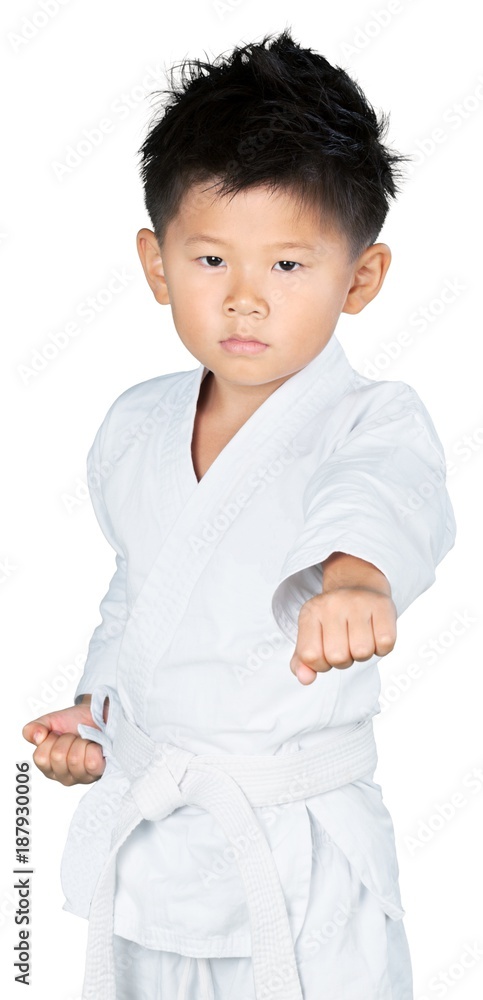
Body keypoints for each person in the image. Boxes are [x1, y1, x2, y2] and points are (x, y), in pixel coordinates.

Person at [23, 27, 456, 1000]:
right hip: (158, 850)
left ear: (361, 279)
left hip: (295, 858)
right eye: (212, 259)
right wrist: (96, 717)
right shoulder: (136, 429)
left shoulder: (370, 421)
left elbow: (386, 493)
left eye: (289, 268)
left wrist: (354, 572)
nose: (246, 300)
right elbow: (137, 600)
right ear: (156, 262)